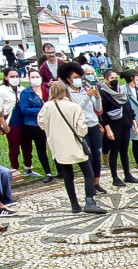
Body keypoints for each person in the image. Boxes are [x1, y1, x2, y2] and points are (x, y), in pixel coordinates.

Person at [38, 81, 106, 214]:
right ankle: (89, 201)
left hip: (58, 145)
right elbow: (82, 129)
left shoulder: (47, 106)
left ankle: (74, 204)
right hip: (74, 143)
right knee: (88, 173)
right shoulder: (74, 106)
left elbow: (41, 123)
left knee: (68, 175)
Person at [60, 62, 104, 193]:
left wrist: (97, 98)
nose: (78, 79)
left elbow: (98, 109)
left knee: (97, 155)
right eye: (75, 77)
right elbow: (76, 109)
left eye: (79, 77)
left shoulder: (86, 88)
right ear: (68, 79)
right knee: (88, 156)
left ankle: (97, 182)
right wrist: (87, 96)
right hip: (81, 127)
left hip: (94, 124)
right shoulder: (67, 93)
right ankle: (90, 184)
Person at [99, 69, 138, 187]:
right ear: (106, 79)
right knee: (114, 151)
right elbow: (103, 112)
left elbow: (128, 107)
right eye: (112, 78)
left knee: (124, 150)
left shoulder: (121, 91)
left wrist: (134, 122)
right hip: (113, 125)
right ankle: (115, 177)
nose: (115, 80)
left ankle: (127, 174)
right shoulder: (104, 93)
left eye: (116, 78)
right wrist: (107, 128)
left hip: (125, 123)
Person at [19, 69, 54, 182]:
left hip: (49, 123)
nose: (35, 79)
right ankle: (48, 172)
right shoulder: (26, 93)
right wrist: (43, 110)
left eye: (37, 76)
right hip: (33, 125)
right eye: (32, 77)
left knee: (54, 146)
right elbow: (25, 109)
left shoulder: (47, 91)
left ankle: (61, 170)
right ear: (29, 79)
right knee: (41, 149)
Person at [1, 68, 29, 179]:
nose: (15, 78)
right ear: (6, 77)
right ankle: (15, 170)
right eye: (12, 76)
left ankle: (28, 167)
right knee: (14, 147)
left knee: (27, 145)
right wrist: (4, 126)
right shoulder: (2, 90)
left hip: (24, 121)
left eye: (16, 76)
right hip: (12, 122)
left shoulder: (23, 89)